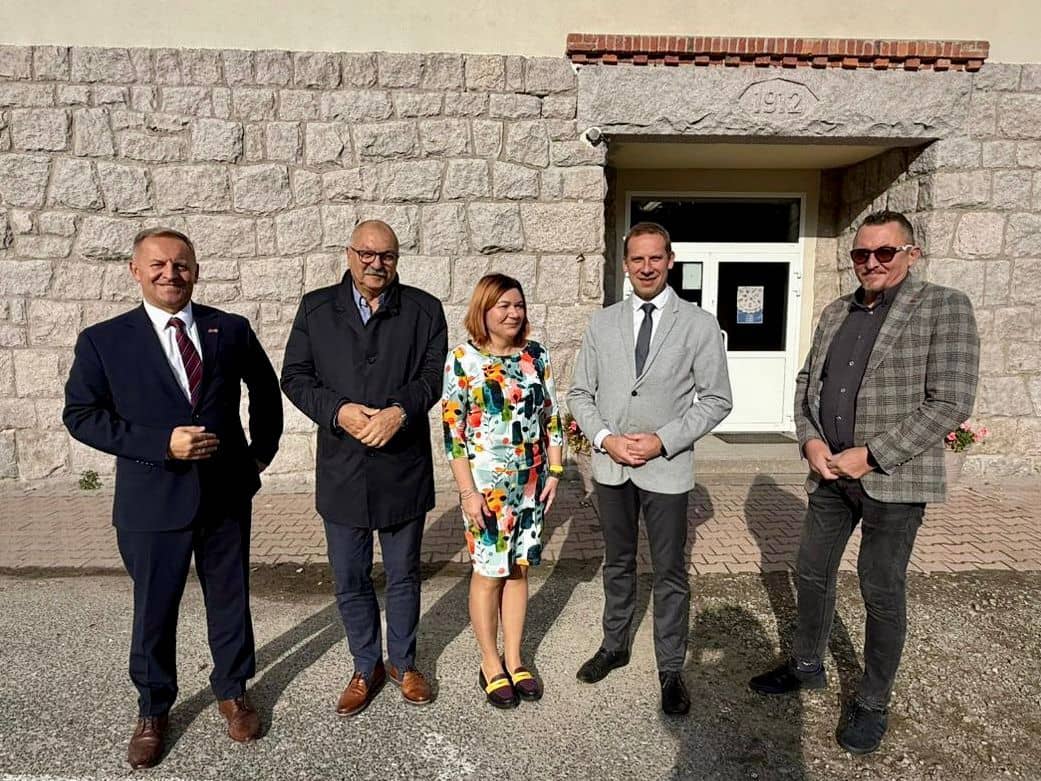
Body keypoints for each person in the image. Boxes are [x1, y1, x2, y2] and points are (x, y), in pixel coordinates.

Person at [749, 209, 980, 754]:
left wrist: (872, 456)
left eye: (884, 252)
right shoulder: (836, 311)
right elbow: (807, 383)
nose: (871, 262)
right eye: (861, 253)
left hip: (893, 479)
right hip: (828, 474)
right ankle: (807, 664)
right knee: (811, 572)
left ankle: (873, 700)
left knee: (880, 589)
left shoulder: (944, 307)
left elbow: (950, 401)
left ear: (911, 254)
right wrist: (810, 441)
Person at [63, 227, 283, 769]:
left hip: (224, 495)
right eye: (158, 265)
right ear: (135, 271)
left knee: (229, 600)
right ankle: (153, 708)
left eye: (181, 265)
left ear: (196, 271)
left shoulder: (229, 328)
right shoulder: (104, 340)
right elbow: (81, 415)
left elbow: (264, 387)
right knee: (154, 610)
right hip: (151, 500)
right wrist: (161, 444)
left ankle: (233, 691)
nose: (171, 274)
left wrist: (258, 455)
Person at [281, 219, 447, 717]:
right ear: (349, 254)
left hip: (402, 465)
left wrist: (399, 411)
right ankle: (365, 665)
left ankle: (404, 663)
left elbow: (432, 377)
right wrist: (338, 412)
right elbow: (295, 376)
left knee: (403, 575)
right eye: (367, 254)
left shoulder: (424, 309)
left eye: (387, 256)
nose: (377, 264)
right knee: (350, 577)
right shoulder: (316, 309)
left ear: (397, 259)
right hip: (343, 467)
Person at [567, 221, 733, 715]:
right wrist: (605, 439)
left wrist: (664, 440)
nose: (646, 267)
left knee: (669, 571)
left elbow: (717, 399)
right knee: (617, 562)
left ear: (670, 260)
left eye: (655, 258)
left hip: (666, 468)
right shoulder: (603, 324)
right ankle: (614, 645)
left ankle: (671, 667)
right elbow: (580, 393)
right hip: (612, 467)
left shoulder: (699, 324)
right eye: (637, 259)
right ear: (625, 264)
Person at [441, 273, 564, 709]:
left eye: (519, 305)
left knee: (519, 570)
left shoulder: (537, 355)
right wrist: (467, 493)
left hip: (531, 485)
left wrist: (555, 470)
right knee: (489, 572)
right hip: (486, 489)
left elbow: (552, 416)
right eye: (504, 306)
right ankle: (490, 662)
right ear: (484, 310)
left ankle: (514, 657)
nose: (513, 313)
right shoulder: (463, 360)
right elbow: (453, 434)